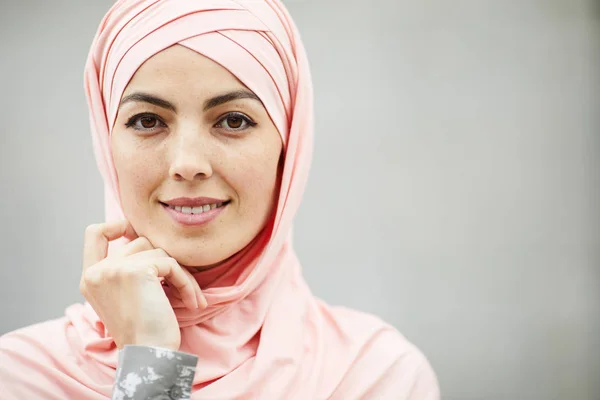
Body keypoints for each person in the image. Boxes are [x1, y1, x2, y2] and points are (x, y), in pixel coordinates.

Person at [0, 1, 440, 399]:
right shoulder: (22, 378)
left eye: (233, 120)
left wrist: (149, 378)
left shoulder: (371, 377)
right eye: (147, 120)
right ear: (105, 140)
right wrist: (150, 359)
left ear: (288, 146)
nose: (188, 164)